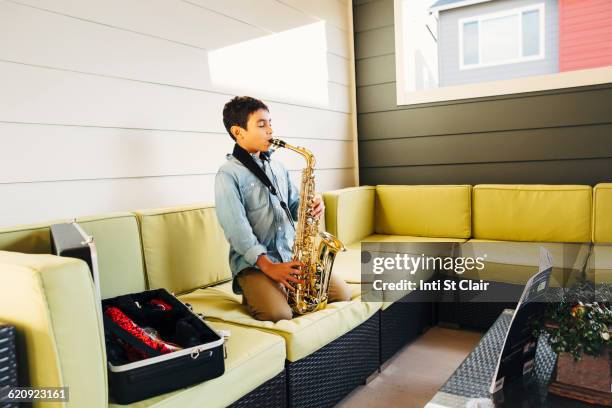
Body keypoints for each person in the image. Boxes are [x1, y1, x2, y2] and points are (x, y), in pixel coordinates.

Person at [215, 96, 351, 322]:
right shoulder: (228, 174)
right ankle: (258, 292)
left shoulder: (277, 167)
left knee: (342, 294)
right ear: (238, 132)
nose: (270, 129)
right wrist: (269, 267)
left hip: (288, 256)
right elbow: (236, 230)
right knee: (278, 314)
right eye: (261, 124)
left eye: (270, 122)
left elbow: (296, 204)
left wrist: (313, 205)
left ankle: (279, 291)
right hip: (256, 266)